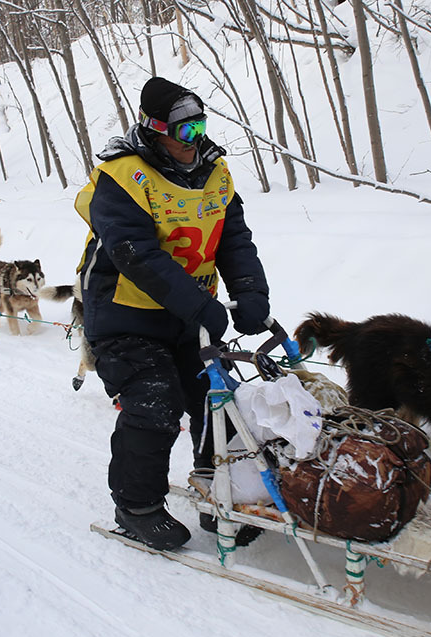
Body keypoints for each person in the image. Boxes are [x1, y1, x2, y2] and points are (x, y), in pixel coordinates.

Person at [74, 77, 271, 551]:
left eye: (200, 127)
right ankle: (136, 506)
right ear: (154, 130)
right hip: (125, 315)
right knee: (154, 400)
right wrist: (200, 304)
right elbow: (134, 253)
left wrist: (248, 292)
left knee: (218, 397)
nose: (195, 140)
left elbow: (233, 238)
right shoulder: (122, 178)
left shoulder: (215, 173)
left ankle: (215, 487)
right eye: (184, 131)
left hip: (189, 315)